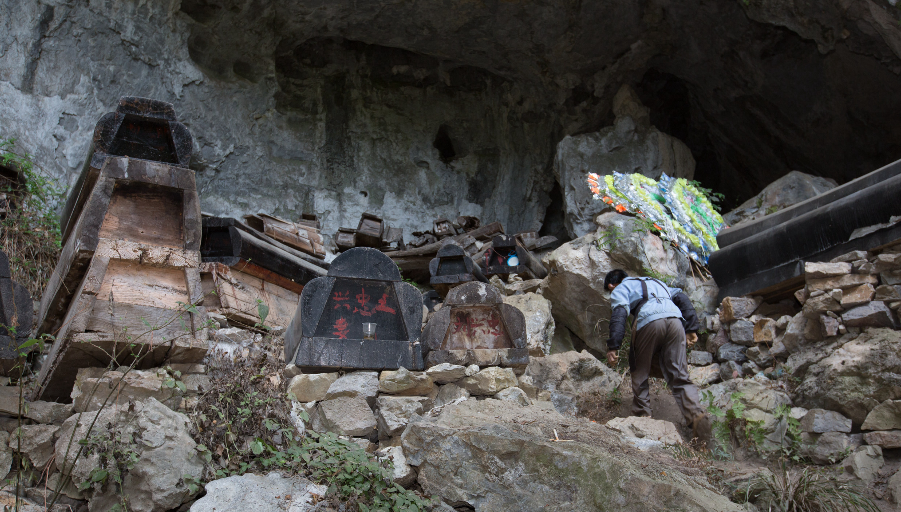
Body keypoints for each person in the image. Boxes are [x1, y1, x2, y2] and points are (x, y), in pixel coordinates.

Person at [603, 269, 711, 443]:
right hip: (675, 321)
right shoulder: (657, 283)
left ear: (611, 286)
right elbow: (682, 298)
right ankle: (696, 415)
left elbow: (620, 314)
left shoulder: (621, 288)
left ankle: (642, 417)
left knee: (640, 369)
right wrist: (691, 328)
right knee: (680, 374)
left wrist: (613, 346)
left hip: (648, 320)